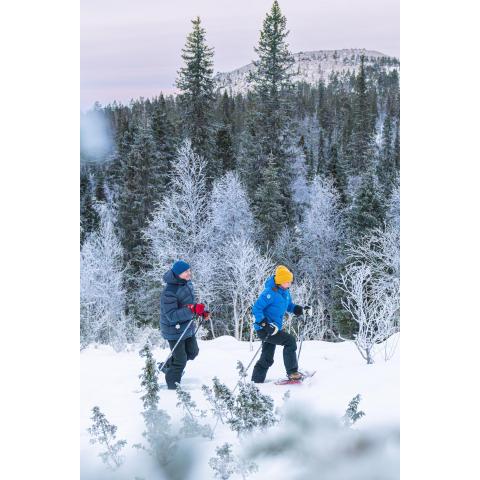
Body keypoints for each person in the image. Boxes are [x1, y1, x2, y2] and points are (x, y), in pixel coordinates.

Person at [251, 265, 310, 383]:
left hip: (274, 329)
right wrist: (265, 325)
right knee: (290, 341)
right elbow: (256, 308)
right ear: (280, 281)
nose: (290, 283)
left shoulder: (285, 292)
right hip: (265, 329)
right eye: (287, 281)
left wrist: (300, 309)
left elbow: (288, 306)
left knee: (267, 358)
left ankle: (256, 382)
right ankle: (292, 372)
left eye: (290, 281)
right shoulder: (269, 293)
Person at [159, 260, 209, 389]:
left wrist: (200, 311)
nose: (189, 273)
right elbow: (171, 315)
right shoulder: (169, 291)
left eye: (189, 270)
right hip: (173, 329)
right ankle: (172, 387)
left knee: (193, 352)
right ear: (177, 274)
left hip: (186, 326)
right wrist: (192, 309)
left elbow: (189, 304)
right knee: (180, 360)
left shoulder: (187, 283)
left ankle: (167, 366)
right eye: (185, 271)